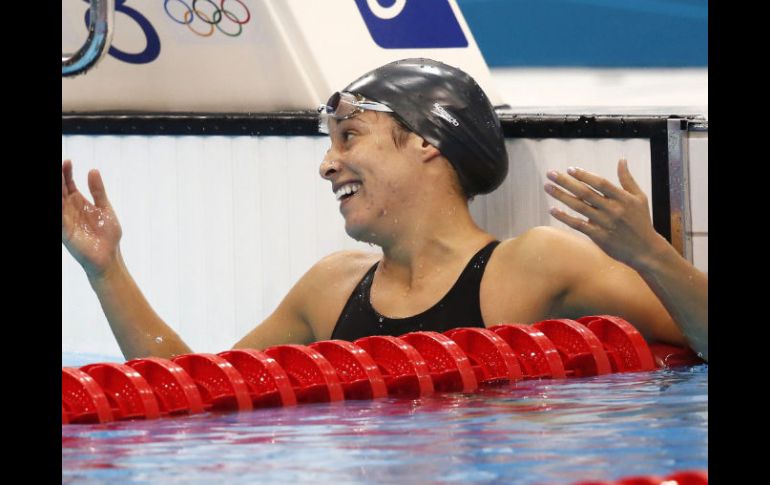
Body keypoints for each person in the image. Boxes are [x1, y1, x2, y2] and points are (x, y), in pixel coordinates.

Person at [61, 58, 708, 363]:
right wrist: (105, 270)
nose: (327, 164)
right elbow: (199, 395)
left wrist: (649, 254)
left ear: (428, 141)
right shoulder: (331, 288)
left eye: (349, 138)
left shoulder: (533, 266)